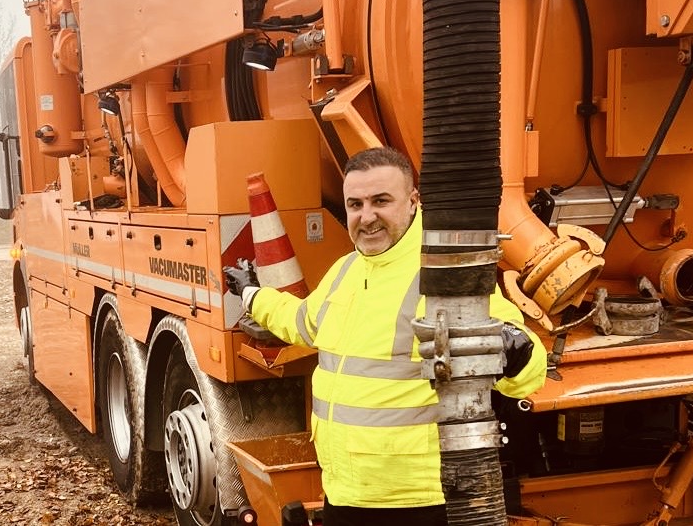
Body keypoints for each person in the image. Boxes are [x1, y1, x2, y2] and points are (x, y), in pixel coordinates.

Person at [224, 146, 546, 526]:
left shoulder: (441, 273)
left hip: (417, 503)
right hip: (345, 494)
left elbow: (524, 361)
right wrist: (251, 293)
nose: (367, 216)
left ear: (412, 203)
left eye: (381, 201)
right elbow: (301, 322)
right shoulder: (346, 270)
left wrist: (516, 351)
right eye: (355, 204)